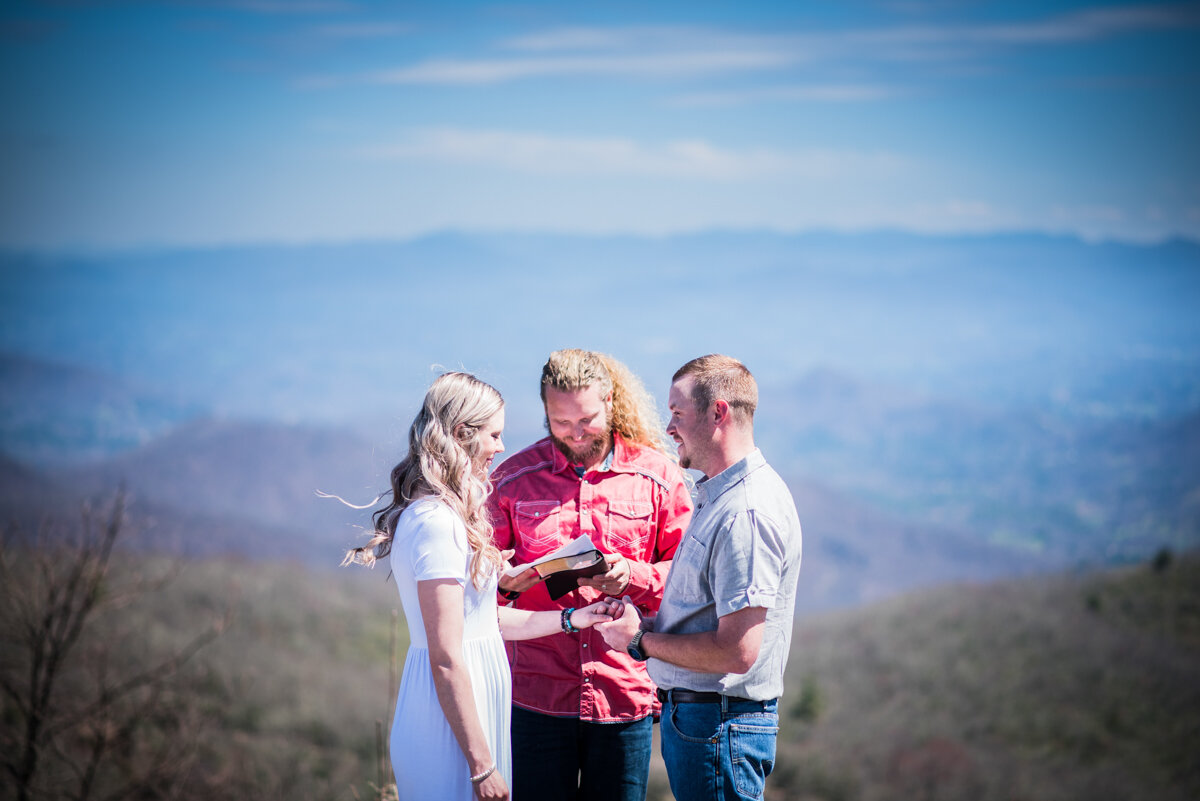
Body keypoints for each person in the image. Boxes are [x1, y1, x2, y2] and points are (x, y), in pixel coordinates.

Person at [342, 372, 618, 801]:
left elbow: (482, 623)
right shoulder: (436, 524)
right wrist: (481, 766)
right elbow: (448, 658)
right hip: (449, 725)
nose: (501, 447)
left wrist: (573, 619)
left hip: (469, 715)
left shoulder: (444, 517)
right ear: (460, 435)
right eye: (494, 434)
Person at [488, 349, 693, 801]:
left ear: (610, 401)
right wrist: (507, 578)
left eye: (587, 419)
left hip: (623, 694)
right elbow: (482, 589)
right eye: (561, 422)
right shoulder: (511, 481)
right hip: (534, 697)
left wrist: (633, 575)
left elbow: (689, 579)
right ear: (544, 411)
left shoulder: (659, 478)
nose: (576, 434)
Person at [596, 354, 804, 801]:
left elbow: (737, 651)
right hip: (706, 726)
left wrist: (641, 643)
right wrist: (648, 624)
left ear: (718, 413)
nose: (668, 428)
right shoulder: (719, 496)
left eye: (677, 414)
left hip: (718, 728)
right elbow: (710, 617)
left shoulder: (745, 513)